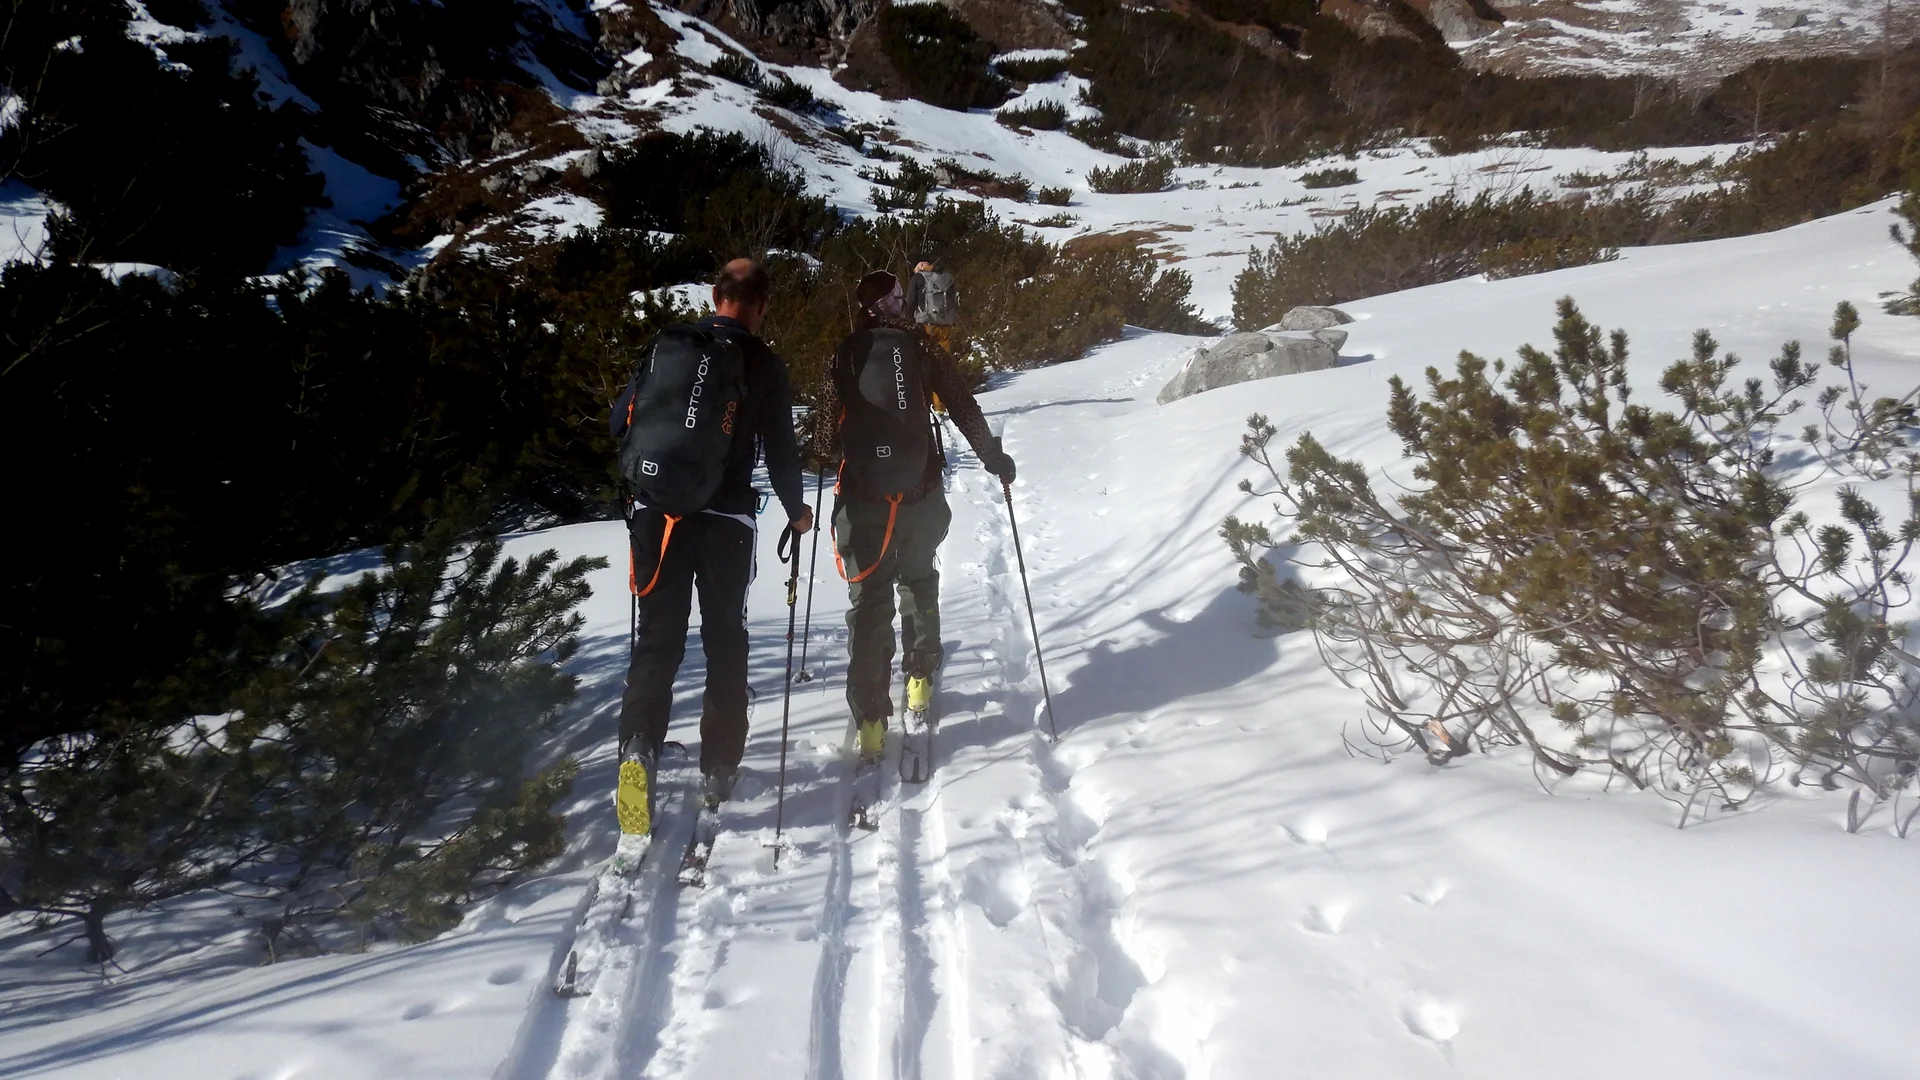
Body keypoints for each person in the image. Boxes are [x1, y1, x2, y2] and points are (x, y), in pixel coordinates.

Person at [609, 258, 813, 834]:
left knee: (657, 642)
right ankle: (720, 766)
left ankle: (637, 752)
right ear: (761, 305)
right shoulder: (763, 363)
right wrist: (796, 511)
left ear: (715, 295)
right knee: (726, 639)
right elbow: (780, 450)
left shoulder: (671, 343)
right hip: (725, 523)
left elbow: (618, 421)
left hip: (656, 518)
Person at [809, 270, 1013, 759]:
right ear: (899, 305)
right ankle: (919, 677)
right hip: (920, 495)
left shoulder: (844, 354)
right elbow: (963, 407)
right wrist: (993, 459)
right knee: (918, 579)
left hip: (864, 504)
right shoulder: (922, 350)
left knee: (870, 601)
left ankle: (871, 721)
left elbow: (820, 442)